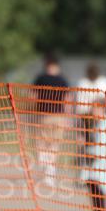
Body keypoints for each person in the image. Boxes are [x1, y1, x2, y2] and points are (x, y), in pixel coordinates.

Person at [32, 54, 70, 187]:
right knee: (54, 145)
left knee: (42, 143)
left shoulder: (41, 78)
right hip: (58, 116)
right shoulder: (63, 80)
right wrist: (67, 118)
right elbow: (67, 101)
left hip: (44, 115)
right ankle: (49, 174)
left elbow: (33, 96)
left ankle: (45, 167)